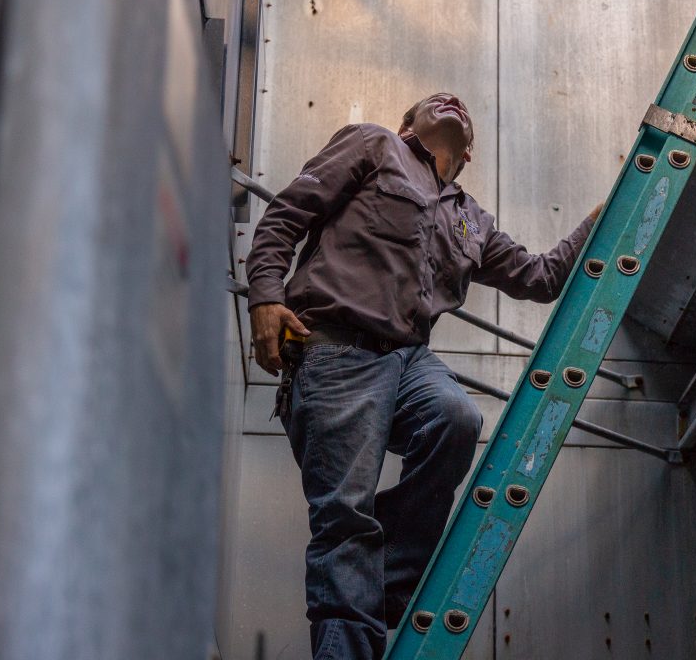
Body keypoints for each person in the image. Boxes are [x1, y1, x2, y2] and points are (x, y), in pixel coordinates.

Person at [245, 92, 601, 660]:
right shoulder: (371, 143)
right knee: (344, 517)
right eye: (434, 102)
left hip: (408, 359)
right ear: (408, 123)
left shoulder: (472, 220)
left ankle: (383, 582)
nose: (453, 100)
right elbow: (286, 216)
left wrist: (598, 219)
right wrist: (264, 295)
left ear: (469, 152)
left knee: (457, 418)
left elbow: (541, 277)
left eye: (463, 108)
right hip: (335, 348)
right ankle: (351, 635)